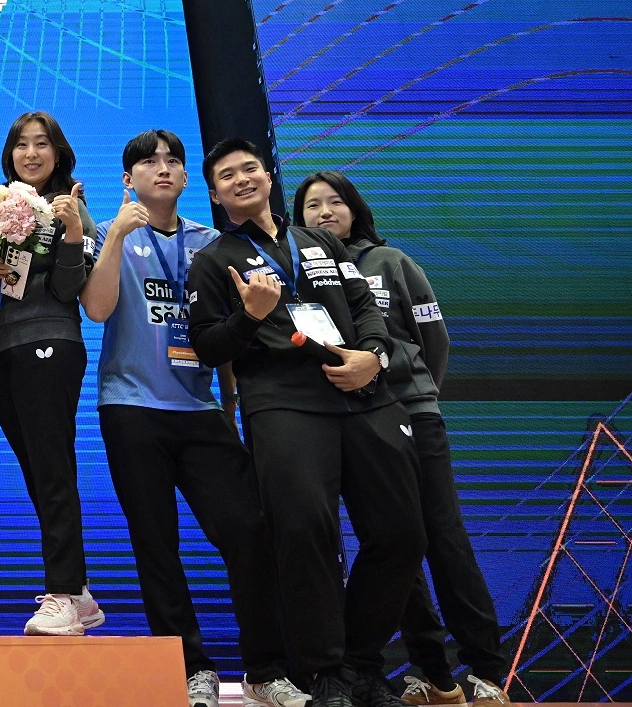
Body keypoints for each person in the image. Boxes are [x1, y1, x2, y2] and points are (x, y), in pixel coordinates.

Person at [189, 138, 426, 707]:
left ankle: (362, 664)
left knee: (401, 533)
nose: (242, 179)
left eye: (250, 169)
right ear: (217, 195)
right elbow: (205, 345)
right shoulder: (214, 260)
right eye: (227, 176)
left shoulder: (317, 239)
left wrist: (373, 354)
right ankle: (324, 675)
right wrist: (249, 316)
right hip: (281, 401)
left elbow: (365, 305)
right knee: (304, 535)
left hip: (361, 393)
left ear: (269, 178)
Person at [82, 131, 308, 707]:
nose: (162, 168)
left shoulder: (213, 244)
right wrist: (113, 237)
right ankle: (190, 669)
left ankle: (264, 669)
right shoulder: (111, 235)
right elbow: (98, 308)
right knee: (157, 544)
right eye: (147, 162)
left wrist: (229, 403)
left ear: (188, 181)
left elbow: (231, 334)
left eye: (173, 161)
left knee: (248, 533)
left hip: (201, 409)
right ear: (127, 177)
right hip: (131, 407)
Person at [295, 173, 510, 707]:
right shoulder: (300, 270)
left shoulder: (392, 262)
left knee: (442, 537)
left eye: (335, 202)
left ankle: (484, 670)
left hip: (411, 414)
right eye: (312, 206)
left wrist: (415, 397)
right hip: (350, 425)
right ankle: (432, 672)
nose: (324, 213)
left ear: (355, 209)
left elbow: (434, 341)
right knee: (394, 544)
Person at [0, 111, 103, 636]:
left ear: (58, 153)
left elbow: (71, 291)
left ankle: (64, 592)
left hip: (49, 344)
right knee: (38, 472)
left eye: (41, 144)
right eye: (21, 144)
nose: (31, 153)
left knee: (53, 469)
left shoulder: (74, 209)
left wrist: (70, 232)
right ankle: (81, 592)